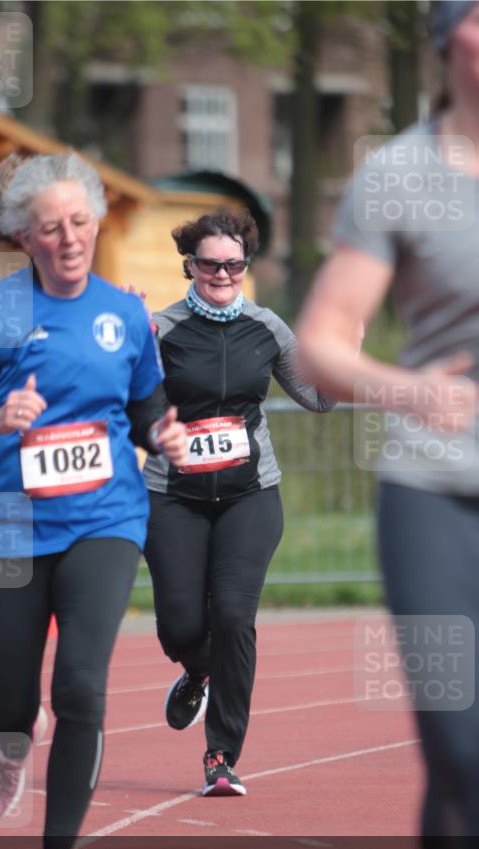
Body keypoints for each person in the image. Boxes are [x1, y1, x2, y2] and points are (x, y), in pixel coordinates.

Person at [295, 2, 479, 849]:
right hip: (433, 483)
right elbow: (321, 339)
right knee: (459, 741)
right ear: (446, 40)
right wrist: (408, 388)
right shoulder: (401, 173)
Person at [0, 151, 187, 849]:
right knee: (10, 702)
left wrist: (162, 434)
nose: (68, 238)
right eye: (50, 228)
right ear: (23, 238)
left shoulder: (127, 312)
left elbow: (142, 409)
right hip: (3, 523)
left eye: (79, 222)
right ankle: (10, 741)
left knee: (80, 688)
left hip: (102, 516)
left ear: (96, 224)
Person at [142, 207, 336, 797]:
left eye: (233, 264)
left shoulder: (268, 328)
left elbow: (319, 398)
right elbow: (133, 402)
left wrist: (341, 359)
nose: (222, 274)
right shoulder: (160, 328)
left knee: (233, 616)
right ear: (190, 265)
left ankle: (221, 756)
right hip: (173, 495)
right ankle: (196, 668)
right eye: (210, 263)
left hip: (250, 495)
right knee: (180, 625)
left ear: (246, 265)